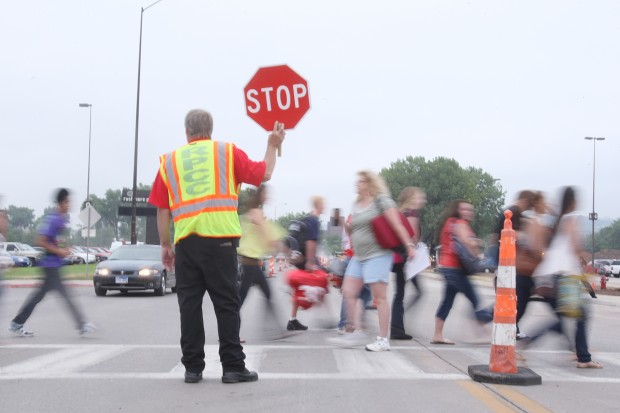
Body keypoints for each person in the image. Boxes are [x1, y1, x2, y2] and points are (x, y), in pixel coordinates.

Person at [148, 109, 285, 384]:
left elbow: (162, 210)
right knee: (226, 304)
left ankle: (193, 368)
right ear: (210, 130)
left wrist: (165, 245)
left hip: (186, 244)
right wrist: (272, 143)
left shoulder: (170, 161)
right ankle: (233, 367)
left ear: (186, 132)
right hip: (220, 243)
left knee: (189, 305)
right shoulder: (226, 152)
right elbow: (265, 173)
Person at [332, 170, 414, 352]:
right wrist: (344, 224)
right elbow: (354, 231)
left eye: (360, 181)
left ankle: (383, 339)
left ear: (369, 184)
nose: (357, 184)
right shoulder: (357, 204)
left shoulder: (381, 200)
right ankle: (352, 331)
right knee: (348, 291)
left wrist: (408, 245)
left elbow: (396, 224)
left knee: (380, 297)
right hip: (358, 256)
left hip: (377, 255)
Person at [525, 187, 602, 369]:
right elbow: (575, 248)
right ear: (573, 202)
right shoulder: (570, 220)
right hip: (566, 276)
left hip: (556, 275)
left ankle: (581, 355)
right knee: (581, 315)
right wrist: (583, 267)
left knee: (566, 318)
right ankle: (583, 357)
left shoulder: (559, 220)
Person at [8, 189, 96, 337]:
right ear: (61, 202)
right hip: (50, 266)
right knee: (65, 295)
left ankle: (17, 322)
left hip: (53, 265)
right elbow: (40, 240)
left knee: (38, 297)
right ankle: (82, 324)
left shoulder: (60, 219)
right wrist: (59, 251)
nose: (69, 205)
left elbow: (53, 241)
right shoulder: (54, 218)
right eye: (68, 202)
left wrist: (64, 249)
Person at [431, 200, 493, 345]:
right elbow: (467, 242)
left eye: (470, 210)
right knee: (474, 299)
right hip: (455, 269)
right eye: (464, 209)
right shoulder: (460, 223)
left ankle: (437, 335)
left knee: (447, 302)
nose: (468, 212)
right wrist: (478, 246)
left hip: (448, 268)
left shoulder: (450, 222)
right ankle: (483, 333)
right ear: (458, 210)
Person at [237, 185, 288, 339]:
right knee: (239, 301)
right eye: (266, 194)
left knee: (267, 294)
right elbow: (266, 233)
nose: (268, 197)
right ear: (261, 195)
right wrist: (276, 246)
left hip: (252, 263)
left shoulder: (254, 212)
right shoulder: (256, 213)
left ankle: (275, 330)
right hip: (249, 263)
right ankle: (229, 332)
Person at [494, 190, 537, 340]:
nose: (528, 210)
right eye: (529, 206)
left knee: (513, 298)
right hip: (510, 262)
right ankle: (484, 316)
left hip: (508, 261)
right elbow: (510, 234)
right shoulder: (513, 213)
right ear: (524, 201)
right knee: (513, 299)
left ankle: (514, 328)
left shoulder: (511, 212)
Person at [390, 187, 427, 340]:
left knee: (400, 293)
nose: (423, 201)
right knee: (408, 293)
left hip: (399, 257)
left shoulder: (400, 213)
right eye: (420, 197)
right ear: (411, 199)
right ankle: (397, 326)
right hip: (407, 258)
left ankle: (397, 325)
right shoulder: (412, 214)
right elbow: (412, 237)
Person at [286, 196, 325, 331]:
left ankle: (292, 320)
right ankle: (325, 318)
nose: (324, 207)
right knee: (323, 281)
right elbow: (311, 241)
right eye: (323, 204)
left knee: (298, 288)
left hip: (300, 257)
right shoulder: (314, 220)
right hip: (306, 259)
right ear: (318, 206)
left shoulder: (306, 219)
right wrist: (310, 261)